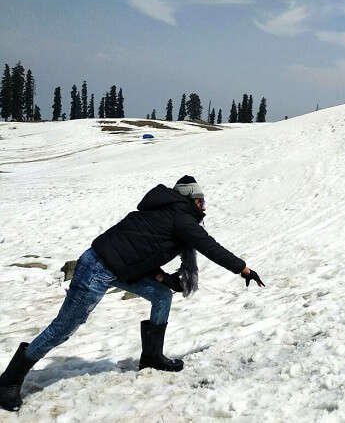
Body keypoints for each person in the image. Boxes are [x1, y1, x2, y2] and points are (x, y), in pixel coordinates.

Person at [0, 175, 264, 412]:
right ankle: (9, 381)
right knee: (64, 327)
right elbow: (210, 246)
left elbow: (143, 250)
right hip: (97, 269)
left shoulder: (169, 213)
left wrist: (162, 278)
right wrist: (243, 269)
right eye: (201, 201)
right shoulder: (181, 217)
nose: (204, 206)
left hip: (118, 268)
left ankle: (152, 357)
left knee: (162, 296)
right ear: (191, 200)